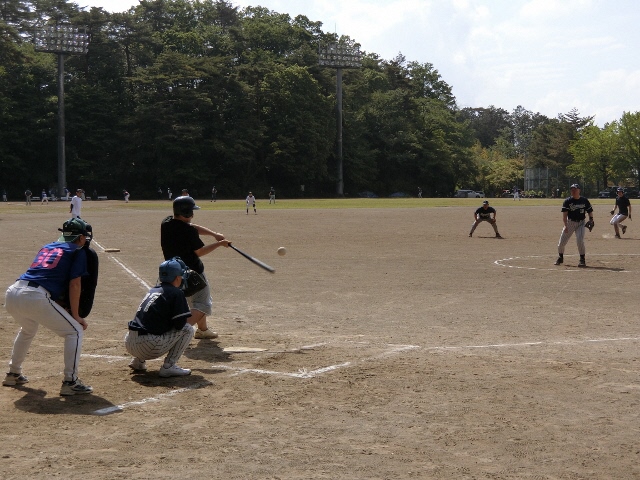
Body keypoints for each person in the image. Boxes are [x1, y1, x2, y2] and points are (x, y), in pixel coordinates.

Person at [3, 218, 94, 396]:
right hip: (34, 296)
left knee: (27, 329)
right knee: (74, 331)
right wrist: (75, 315)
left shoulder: (48, 247)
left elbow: (48, 277)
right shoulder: (77, 251)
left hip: (13, 292)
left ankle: (13, 373)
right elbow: (75, 284)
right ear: (81, 238)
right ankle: (70, 381)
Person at [161, 196, 230, 339]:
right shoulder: (188, 232)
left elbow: (191, 227)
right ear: (186, 212)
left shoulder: (166, 223)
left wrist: (214, 234)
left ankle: (203, 330)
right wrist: (219, 244)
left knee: (193, 301)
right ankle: (176, 333)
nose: (193, 213)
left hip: (174, 272)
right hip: (193, 274)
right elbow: (200, 251)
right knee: (203, 305)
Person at [125, 258, 196, 377]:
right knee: (188, 329)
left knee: (150, 323)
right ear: (177, 278)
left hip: (129, 343)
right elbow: (179, 325)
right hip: (148, 346)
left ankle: (138, 361)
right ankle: (169, 366)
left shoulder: (153, 290)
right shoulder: (176, 293)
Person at [555, 183, 594, 267]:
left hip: (581, 223)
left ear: (579, 190)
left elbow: (589, 210)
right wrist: (565, 225)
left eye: (575, 189)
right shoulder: (567, 201)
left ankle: (582, 259)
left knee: (580, 240)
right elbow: (565, 215)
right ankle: (560, 257)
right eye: (572, 190)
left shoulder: (584, 200)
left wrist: (591, 219)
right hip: (570, 223)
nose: (573, 191)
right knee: (561, 243)